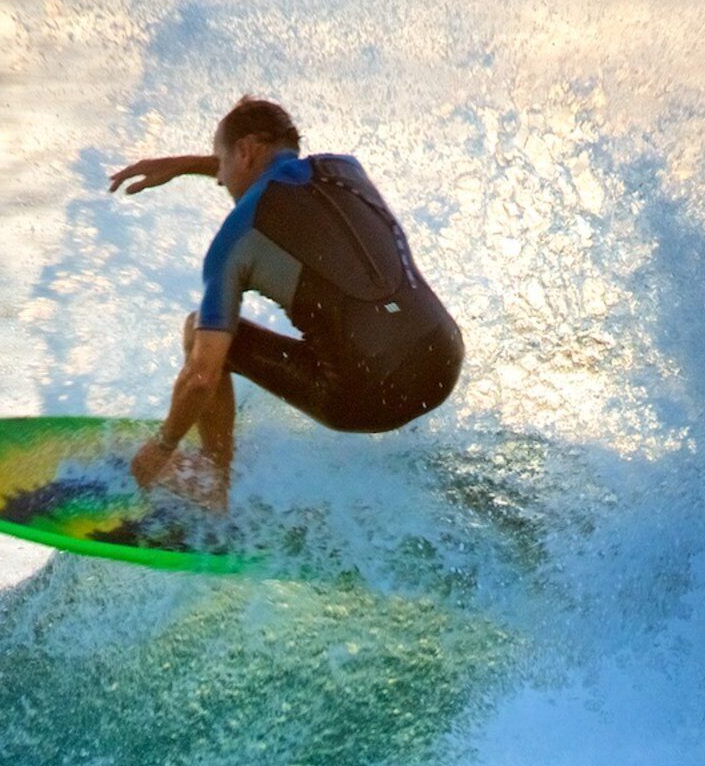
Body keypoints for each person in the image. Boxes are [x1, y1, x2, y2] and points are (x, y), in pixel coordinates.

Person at [107, 97, 460, 515]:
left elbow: (202, 377)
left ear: (246, 151)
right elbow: (280, 176)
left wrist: (162, 445)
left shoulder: (235, 239)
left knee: (198, 328)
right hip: (441, 364)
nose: (219, 180)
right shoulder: (347, 169)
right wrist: (187, 164)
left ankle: (211, 483)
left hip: (366, 397)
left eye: (221, 164)